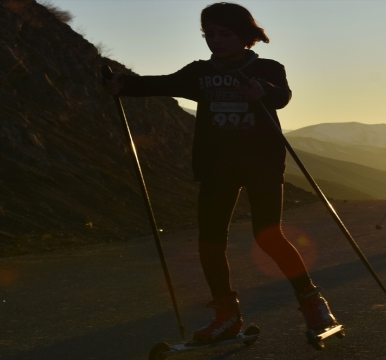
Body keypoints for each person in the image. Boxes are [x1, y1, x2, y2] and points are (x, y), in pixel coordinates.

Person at [103, 2, 338, 343]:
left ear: (245, 35)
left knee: (268, 236)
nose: (216, 41)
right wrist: (121, 84)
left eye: (224, 34)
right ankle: (227, 316)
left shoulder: (268, 68)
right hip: (216, 166)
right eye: (209, 34)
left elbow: (282, 96)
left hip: (262, 164)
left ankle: (313, 303)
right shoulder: (199, 72)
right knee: (210, 242)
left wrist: (263, 92)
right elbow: (161, 84)